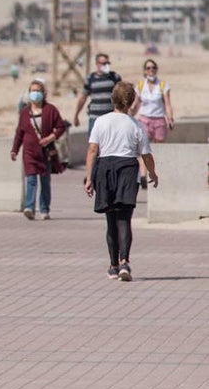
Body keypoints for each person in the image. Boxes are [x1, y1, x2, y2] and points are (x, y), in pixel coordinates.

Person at [84, 82, 158, 282]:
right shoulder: (136, 125)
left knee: (110, 221)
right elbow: (146, 155)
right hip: (127, 169)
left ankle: (113, 266)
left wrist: (89, 177)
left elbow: (92, 150)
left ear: (112, 99)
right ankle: (125, 262)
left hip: (105, 168)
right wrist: (152, 173)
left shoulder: (101, 121)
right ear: (131, 102)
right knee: (124, 219)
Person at [10, 79, 69, 221]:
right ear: (29, 93)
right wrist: (15, 150)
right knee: (30, 179)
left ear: (43, 93)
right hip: (29, 152)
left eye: (38, 91)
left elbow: (61, 127)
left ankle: (44, 209)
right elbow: (20, 132)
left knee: (44, 181)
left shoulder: (50, 110)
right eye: (33, 91)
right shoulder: (24, 112)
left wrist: (50, 138)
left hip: (45, 153)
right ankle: (29, 207)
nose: (35, 93)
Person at [73, 52, 122, 133]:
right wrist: (76, 115)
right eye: (103, 63)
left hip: (111, 118)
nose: (106, 65)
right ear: (97, 64)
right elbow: (83, 98)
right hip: (95, 119)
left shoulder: (114, 77)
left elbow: (121, 95)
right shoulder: (90, 78)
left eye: (107, 63)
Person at [131, 59, 174, 144]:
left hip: (159, 121)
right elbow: (136, 104)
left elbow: (167, 104)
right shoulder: (140, 86)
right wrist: (129, 117)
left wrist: (170, 119)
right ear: (145, 71)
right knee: (144, 145)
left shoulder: (162, 85)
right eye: (148, 68)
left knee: (159, 144)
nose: (151, 70)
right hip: (144, 120)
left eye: (154, 68)